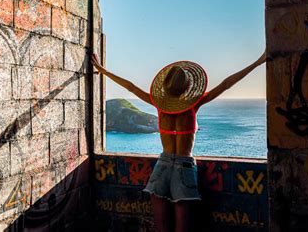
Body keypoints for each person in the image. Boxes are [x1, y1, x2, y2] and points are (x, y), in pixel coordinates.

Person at [91, 52, 266, 232]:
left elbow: (131, 87)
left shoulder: (159, 106)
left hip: (162, 165)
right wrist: (258, 62)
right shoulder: (193, 105)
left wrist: (102, 70)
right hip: (184, 167)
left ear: (166, 89)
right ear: (187, 87)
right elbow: (226, 84)